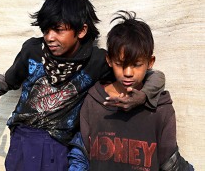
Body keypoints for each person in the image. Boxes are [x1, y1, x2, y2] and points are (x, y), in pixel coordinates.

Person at [0, 0, 165, 171]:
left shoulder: (97, 61)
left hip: (59, 147)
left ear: (81, 31)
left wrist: (143, 96)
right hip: (23, 140)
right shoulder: (32, 50)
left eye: (58, 30)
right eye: (45, 30)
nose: (49, 37)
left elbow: (154, 75)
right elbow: (9, 79)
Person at [68, 10, 194, 171]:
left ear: (150, 62)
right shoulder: (94, 102)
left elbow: (169, 161)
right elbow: (81, 153)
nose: (128, 72)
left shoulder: (161, 109)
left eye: (136, 65)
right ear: (109, 60)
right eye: (121, 64)